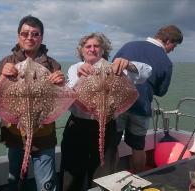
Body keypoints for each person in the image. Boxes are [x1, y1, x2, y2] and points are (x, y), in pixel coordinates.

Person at [60, 32, 152, 191]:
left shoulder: (115, 69)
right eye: (88, 46)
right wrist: (79, 74)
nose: (92, 49)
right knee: (72, 176)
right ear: (82, 50)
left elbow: (146, 72)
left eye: (97, 46)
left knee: (103, 176)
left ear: (103, 50)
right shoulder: (75, 68)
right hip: (78, 127)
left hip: (108, 124)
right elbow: (70, 93)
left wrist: (128, 64)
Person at [0, 15, 65, 191]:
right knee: (14, 180)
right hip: (15, 135)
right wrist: (3, 76)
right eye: (25, 34)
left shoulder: (52, 64)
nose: (29, 38)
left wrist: (62, 82)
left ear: (41, 37)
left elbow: (62, 97)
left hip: (44, 137)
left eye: (35, 34)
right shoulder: (7, 62)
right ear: (18, 36)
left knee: (46, 185)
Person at [113, 25, 183, 173]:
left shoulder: (129, 45)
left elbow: (112, 68)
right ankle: (138, 180)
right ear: (168, 41)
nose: (172, 50)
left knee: (112, 146)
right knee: (138, 147)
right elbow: (161, 91)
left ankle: (112, 181)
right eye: (174, 46)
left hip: (118, 105)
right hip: (142, 108)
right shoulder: (166, 62)